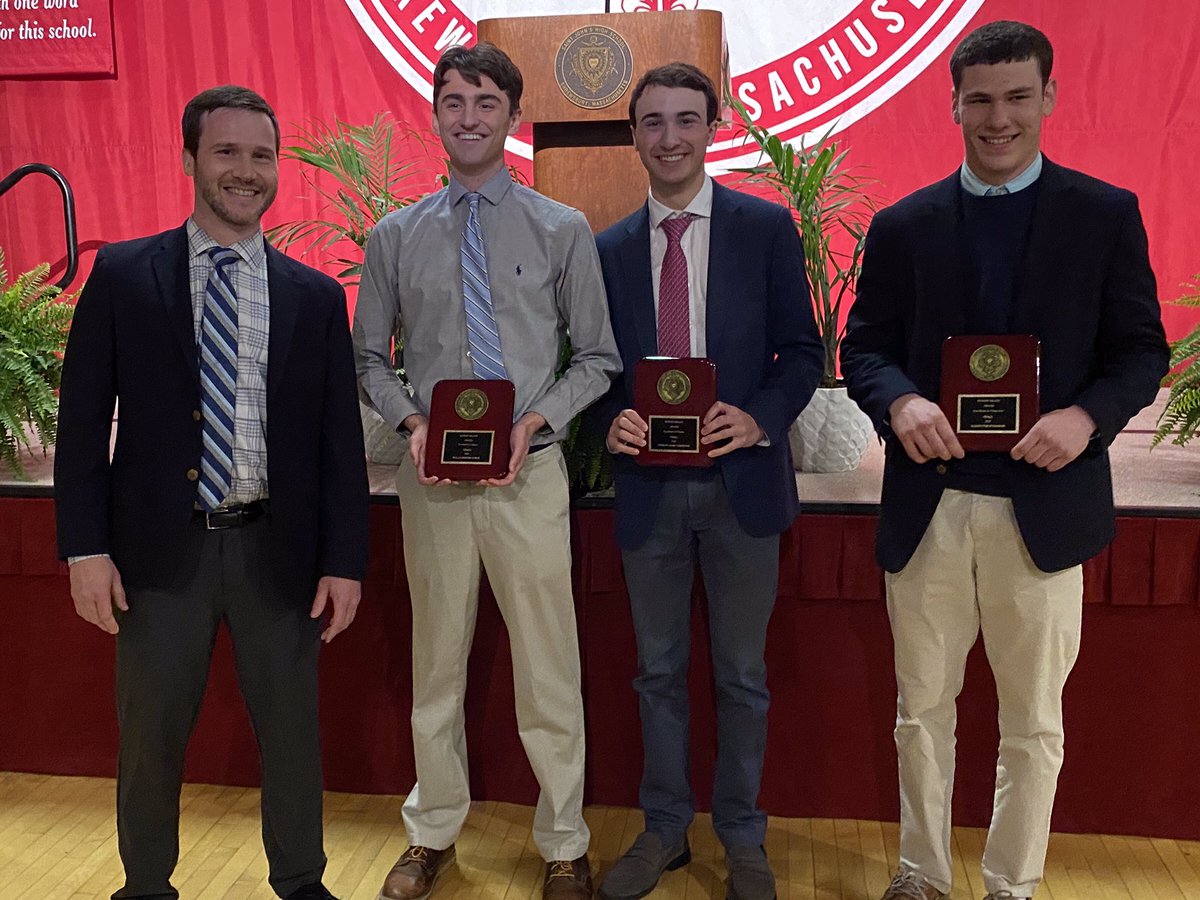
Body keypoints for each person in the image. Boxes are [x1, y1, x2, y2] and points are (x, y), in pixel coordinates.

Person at [840, 20, 1169, 900]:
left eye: (1018, 96)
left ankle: (1012, 885)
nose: (999, 118)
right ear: (953, 104)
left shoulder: (1104, 215)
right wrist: (902, 399)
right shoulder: (903, 225)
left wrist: (1086, 418)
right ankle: (921, 875)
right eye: (980, 99)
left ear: (1049, 98)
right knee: (922, 714)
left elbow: (1141, 352)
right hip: (930, 506)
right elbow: (863, 349)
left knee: (1033, 722)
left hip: (1046, 507)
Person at [54, 85, 369, 900]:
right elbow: (83, 423)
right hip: (161, 554)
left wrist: (346, 561)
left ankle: (302, 883)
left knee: (294, 740)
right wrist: (84, 549)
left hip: (280, 551)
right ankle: (146, 887)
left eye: (261, 155)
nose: (245, 171)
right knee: (150, 742)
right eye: (226, 152)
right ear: (190, 158)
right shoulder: (125, 275)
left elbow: (339, 445)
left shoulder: (315, 296)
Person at [353, 42, 620, 900]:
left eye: (484, 102)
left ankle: (565, 844)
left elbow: (600, 358)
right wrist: (414, 422)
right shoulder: (395, 235)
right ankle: (431, 832)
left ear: (512, 116)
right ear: (435, 113)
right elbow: (369, 360)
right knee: (437, 664)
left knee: (549, 666)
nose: (467, 116)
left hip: (527, 475)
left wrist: (535, 419)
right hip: (433, 481)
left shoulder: (560, 228)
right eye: (453, 101)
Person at [593, 63, 823, 900]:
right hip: (649, 490)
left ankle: (741, 835)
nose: (669, 138)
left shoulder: (765, 231)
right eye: (652, 122)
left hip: (742, 485)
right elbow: (597, 368)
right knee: (656, 672)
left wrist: (760, 418)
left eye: (686, 120)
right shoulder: (609, 248)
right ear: (634, 137)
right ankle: (664, 831)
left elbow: (803, 354)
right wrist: (609, 416)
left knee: (741, 676)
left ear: (714, 126)